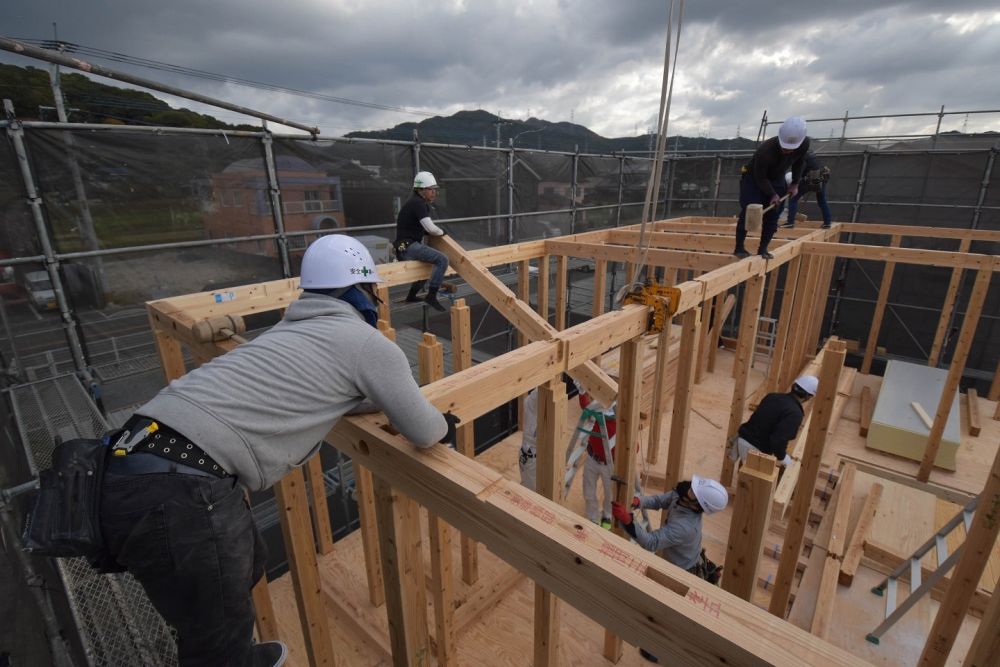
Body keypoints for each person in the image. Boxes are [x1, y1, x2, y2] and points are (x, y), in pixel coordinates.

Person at [96, 234, 459, 667]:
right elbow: (424, 430)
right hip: (180, 490)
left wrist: (378, 397)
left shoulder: (285, 333)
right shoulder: (368, 345)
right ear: (365, 293)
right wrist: (444, 425)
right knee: (218, 644)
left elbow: (336, 391)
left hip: (123, 460)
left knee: (240, 573)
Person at [611, 475, 729, 663]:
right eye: (693, 486)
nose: (688, 488)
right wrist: (638, 501)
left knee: (668, 614)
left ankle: (659, 649)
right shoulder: (683, 495)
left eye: (693, 491)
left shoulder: (685, 527)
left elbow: (651, 542)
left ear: (698, 505)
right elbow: (660, 500)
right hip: (679, 559)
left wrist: (628, 521)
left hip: (682, 571)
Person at [734, 116, 810, 260]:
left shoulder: (804, 143)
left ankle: (763, 249)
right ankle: (739, 248)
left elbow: (800, 163)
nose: (787, 151)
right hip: (754, 179)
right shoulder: (765, 151)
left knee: (773, 215)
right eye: (784, 148)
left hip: (777, 178)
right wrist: (772, 194)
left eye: (790, 149)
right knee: (750, 211)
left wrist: (795, 183)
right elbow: (760, 177)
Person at [729, 375, 819, 468]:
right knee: (758, 481)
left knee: (746, 469)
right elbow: (778, 439)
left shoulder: (772, 396)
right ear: (808, 396)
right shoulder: (795, 413)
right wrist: (782, 457)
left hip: (742, 439)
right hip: (755, 450)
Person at [394, 171, 450, 312]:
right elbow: (431, 228)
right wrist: (442, 232)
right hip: (407, 247)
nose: (434, 193)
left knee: (425, 267)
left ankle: (411, 296)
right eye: (431, 189)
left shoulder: (416, 202)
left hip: (403, 247)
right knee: (442, 259)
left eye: (435, 189)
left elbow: (418, 227)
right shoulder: (418, 203)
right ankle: (431, 296)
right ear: (421, 190)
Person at [579, 389, 618, 528]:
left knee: (610, 494)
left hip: (610, 464)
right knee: (588, 490)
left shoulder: (618, 421)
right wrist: (582, 391)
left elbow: (634, 447)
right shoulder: (597, 412)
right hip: (592, 458)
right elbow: (586, 407)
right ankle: (592, 517)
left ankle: (607, 516)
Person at [781, 151, 832, 229]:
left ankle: (790, 222)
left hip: (809, 180)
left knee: (793, 199)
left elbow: (799, 173)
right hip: (821, 179)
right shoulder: (811, 156)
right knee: (822, 201)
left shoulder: (800, 158)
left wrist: (795, 185)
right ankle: (827, 223)